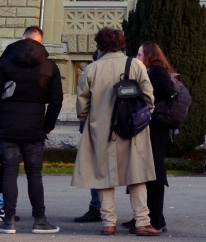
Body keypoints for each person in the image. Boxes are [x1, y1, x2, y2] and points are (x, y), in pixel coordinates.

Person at [71, 27, 158, 236]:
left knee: (103, 175)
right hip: (132, 128)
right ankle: (142, 222)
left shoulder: (90, 69)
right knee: (136, 175)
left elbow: (82, 105)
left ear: (99, 45)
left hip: (100, 129)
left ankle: (108, 222)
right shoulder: (135, 64)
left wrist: (89, 120)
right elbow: (149, 98)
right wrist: (143, 118)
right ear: (122, 43)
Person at [0, 25, 62, 235]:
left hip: (6, 126)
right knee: (35, 174)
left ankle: (8, 221)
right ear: (40, 42)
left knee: (9, 172)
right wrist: (46, 126)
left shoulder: (6, 63)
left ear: (23, 38)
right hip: (34, 127)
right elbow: (56, 102)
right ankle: (40, 220)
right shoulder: (50, 67)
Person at [126, 43, 175, 233]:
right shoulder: (151, 71)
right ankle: (145, 216)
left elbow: (166, 90)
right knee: (144, 171)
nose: (136, 57)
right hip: (150, 125)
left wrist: (144, 96)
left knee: (153, 172)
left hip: (156, 127)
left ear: (149, 55)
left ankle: (154, 219)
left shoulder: (158, 71)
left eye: (139, 53)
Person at [72, 48, 106, 224]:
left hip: (94, 127)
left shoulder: (92, 72)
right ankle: (100, 208)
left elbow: (83, 102)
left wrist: (84, 121)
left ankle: (97, 208)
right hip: (109, 126)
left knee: (96, 168)